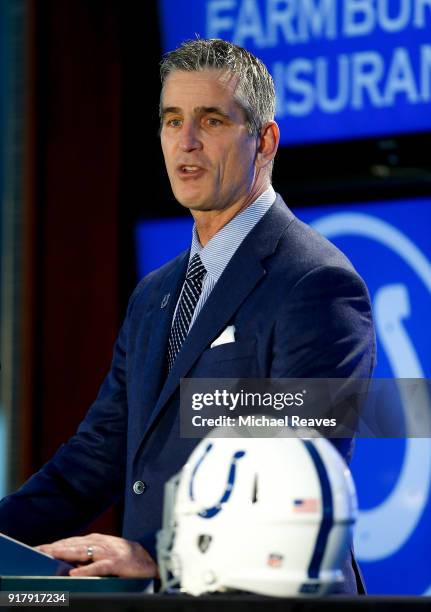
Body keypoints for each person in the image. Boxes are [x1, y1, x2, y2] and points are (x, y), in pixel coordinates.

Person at [0, 39, 375, 592]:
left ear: (265, 141)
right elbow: (96, 457)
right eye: (172, 120)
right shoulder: (154, 294)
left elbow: (301, 481)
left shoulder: (317, 284)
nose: (187, 142)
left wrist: (159, 558)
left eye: (212, 120)